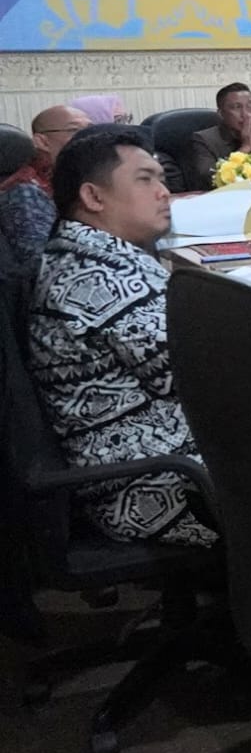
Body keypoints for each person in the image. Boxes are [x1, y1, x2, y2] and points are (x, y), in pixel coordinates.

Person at [28, 128, 215, 547]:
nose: (164, 191)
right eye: (145, 179)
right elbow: (194, 376)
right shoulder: (97, 279)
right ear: (94, 197)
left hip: (164, 452)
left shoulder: (92, 253)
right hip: (153, 486)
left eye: (161, 178)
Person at [0, 105, 90, 271]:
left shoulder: (77, 179)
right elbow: (41, 266)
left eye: (91, 129)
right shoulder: (26, 193)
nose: (88, 137)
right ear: (42, 141)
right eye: (75, 130)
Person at [187, 82, 251, 189]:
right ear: (221, 113)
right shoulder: (204, 140)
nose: (246, 114)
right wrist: (246, 147)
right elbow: (209, 180)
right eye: (237, 107)